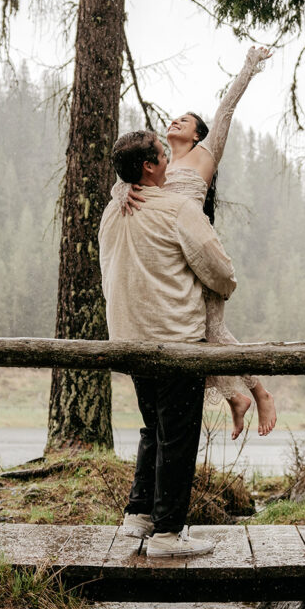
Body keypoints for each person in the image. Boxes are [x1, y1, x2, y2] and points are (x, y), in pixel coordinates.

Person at [113, 45, 277, 442]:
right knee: (197, 333)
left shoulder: (204, 156)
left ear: (199, 134)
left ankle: (258, 392)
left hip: (198, 247)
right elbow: (125, 176)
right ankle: (237, 397)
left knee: (213, 329)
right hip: (172, 255)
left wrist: (249, 66)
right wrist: (121, 192)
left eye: (185, 120)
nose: (176, 121)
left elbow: (225, 111)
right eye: (174, 118)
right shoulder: (156, 167)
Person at [99, 127, 237, 558]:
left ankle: (139, 514)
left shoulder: (112, 210)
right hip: (176, 340)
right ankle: (167, 535)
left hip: (129, 339)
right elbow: (220, 273)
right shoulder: (178, 209)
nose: (169, 159)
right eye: (163, 154)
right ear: (150, 166)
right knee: (177, 436)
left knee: (153, 428)